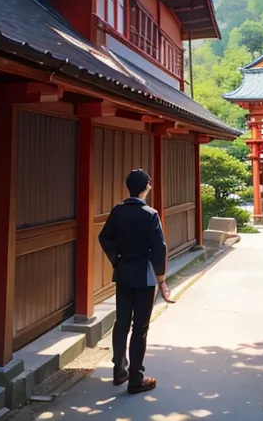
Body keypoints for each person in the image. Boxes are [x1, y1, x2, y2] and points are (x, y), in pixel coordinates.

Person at [98, 168, 170, 395]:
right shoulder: (150, 214)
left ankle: (119, 371)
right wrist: (161, 277)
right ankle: (136, 380)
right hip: (144, 276)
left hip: (123, 273)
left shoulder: (117, 211)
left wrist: (116, 259)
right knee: (140, 327)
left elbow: (104, 237)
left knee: (121, 322)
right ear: (146, 186)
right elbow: (159, 248)